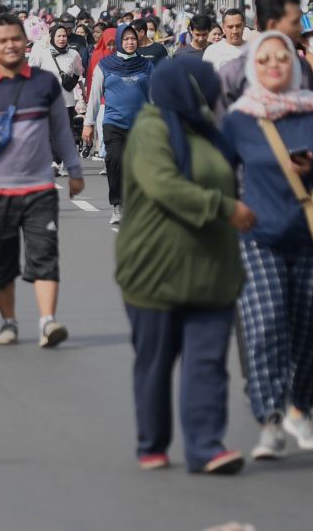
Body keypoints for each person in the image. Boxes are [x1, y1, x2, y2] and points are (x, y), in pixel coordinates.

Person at [115, 56, 251, 475]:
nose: (214, 97)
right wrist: (222, 207)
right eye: (207, 89)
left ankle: (206, 446)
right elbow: (163, 185)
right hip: (155, 272)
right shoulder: (150, 128)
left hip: (212, 271)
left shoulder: (212, 132)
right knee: (155, 364)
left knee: (207, 363)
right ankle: (151, 443)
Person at [222, 31, 313, 459]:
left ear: (295, 65)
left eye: (282, 58)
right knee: (265, 325)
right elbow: (220, 172)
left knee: (310, 330)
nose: (274, 65)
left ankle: (301, 407)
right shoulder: (240, 118)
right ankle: (270, 420)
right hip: (258, 237)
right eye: (264, 60)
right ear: (252, 69)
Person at [0, 14, 85, 348]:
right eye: (2, 41)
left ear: (25, 42)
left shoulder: (44, 83)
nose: (10, 45)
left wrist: (75, 170)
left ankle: (47, 322)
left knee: (45, 254)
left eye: (15, 39)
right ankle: (8, 322)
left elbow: (60, 129)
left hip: (40, 188)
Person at [83, 24, 155, 225]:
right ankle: (118, 205)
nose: (130, 42)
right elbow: (95, 97)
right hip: (114, 122)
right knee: (114, 161)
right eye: (126, 39)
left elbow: (155, 95)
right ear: (119, 42)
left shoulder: (146, 65)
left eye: (133, 39)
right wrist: (88, 124)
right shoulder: (105, 66)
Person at [29, 24, 85, 177]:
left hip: (67, 100)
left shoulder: (74, 54)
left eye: (64, 36)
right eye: (58, 36)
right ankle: (53, 161)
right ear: (52, 37)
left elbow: (79, 71)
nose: (61, 39)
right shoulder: (43, 53)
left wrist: (73, 82)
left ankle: (58, 161)